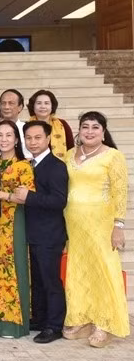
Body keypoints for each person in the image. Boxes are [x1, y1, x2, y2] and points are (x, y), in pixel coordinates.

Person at [62, 111, 129, 347]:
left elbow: (120, 191)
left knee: (103, 270)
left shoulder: (113, 156)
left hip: (101, 223)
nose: (89, 131)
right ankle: (82, 317)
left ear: (103, 131)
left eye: (95, 127)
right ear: (78, 130)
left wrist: (118, 225)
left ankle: (104, 323)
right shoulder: (70, 154)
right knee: (79, 269)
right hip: (74, 223)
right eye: (85, 127)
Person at [13, 121, 67, 344]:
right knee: (36, 279)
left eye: (37, 138)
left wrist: (29, 197)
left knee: (50, 280)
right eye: (28, 138)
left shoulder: (55, 166)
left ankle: (54, 326)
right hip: (32, 233)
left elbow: (59, 200)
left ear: (48, 139)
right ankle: (41, 318)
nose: (32, 142)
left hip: (49, 234)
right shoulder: (27, 164)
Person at [0, 120, 34, 338]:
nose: (3, 140)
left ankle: (14, 324)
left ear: (16, 139)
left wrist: (1, 195)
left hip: (14, 222)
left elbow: (26, 197)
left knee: (14, 269)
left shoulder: (23, 165)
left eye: (8, 135)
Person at [0, 89, 32, 158]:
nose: (6, 107)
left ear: (20, 107)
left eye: (11, 103)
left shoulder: (28, 129)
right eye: (3, 103)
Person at [27, 89, 74, 162]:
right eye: (39, 103)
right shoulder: (26, 126)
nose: (43, 106)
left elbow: (71, 149)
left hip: (60, 168)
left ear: (52, 106)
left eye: (46, 103)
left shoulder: (62, 124)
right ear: (33, 106)